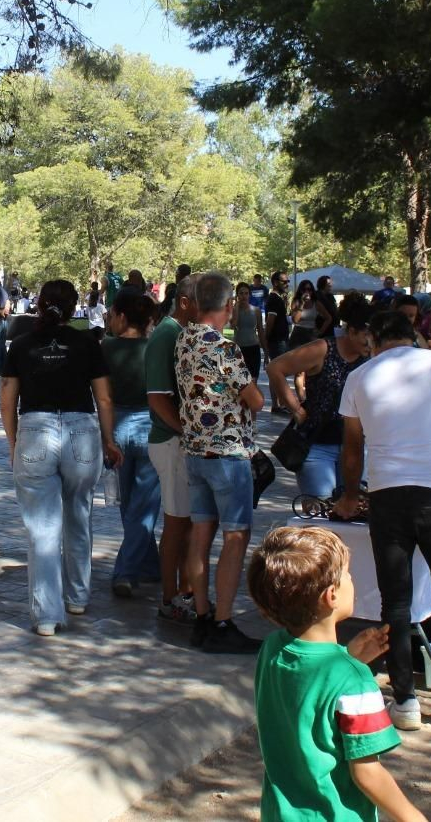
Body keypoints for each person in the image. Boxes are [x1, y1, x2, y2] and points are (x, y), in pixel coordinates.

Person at [334, 310, 431, 730]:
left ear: (374, 340)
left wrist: (351, 494)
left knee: (395, 602)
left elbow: (351, 449)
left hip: (386, 495)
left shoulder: (360, 376)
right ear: (414, 338)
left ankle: (403, 700)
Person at [249, 526, 423, 822]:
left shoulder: (273, 648)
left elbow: (308, 690)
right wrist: (413, 817)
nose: (352, 580)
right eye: (347, 575)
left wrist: (346, 657)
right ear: (331, 595)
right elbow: (367, 772)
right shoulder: (354, 680)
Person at [1, 279, 123, 635]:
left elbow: (8, 399)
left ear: (39, 304)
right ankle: (78, 596)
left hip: (35, 431)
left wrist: (13, 442)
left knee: (41, 528)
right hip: (81, 433)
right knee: (78, 513)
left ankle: (47, 615)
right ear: (74, 307)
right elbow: (104, 399)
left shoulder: (21, 345)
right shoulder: (87, 343)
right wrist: (109, 439)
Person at [177, 272, 265, 654]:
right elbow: (256, 399)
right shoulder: (224, 349)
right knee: (235, 536)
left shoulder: (185, 339)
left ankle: (201, 613)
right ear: (229, 306)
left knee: (200, 534)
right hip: (228, 454)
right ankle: (223, 620)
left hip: (195, 451)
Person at [267, 295, 373, 498]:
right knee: (319, 511)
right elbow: (275, 368)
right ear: (351, 331)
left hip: (357, 446)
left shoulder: (373, 356)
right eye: (366, 335)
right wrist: (296, 410)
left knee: (356, 509)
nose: (370, 342)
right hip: (317, 445)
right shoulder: (324, 349)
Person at [146, 275, 198, 624]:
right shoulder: (167, 334)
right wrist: (186, 432)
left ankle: (184, 594)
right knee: (177, 525)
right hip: (171, 441)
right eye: (202, 301)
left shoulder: (178, 333)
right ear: (184, 301)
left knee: (189, 525)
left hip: (180, 440)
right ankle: (169, 598)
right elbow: (157, 398)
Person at [101, 289, 159, 598]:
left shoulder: (106, 348)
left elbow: (101, 394)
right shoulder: (156, 348)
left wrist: (105, 435)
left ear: (123, 316)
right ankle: (130, 569)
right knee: (144, 505)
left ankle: (143, 566)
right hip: (150, 427)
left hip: (116, 427)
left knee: (130, 506)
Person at [231, 281, 263, 379]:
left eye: (246, 293)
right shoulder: (232, 311)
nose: (244, 296)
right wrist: (236, 308)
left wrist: (266, 352)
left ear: (249, 295)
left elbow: (261, 330)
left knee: (253, 379)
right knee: (240, 381)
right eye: (241, 293)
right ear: (237, 295)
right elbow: (231, 327)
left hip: (254, 348)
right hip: (239, 349)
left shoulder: (256, 310)